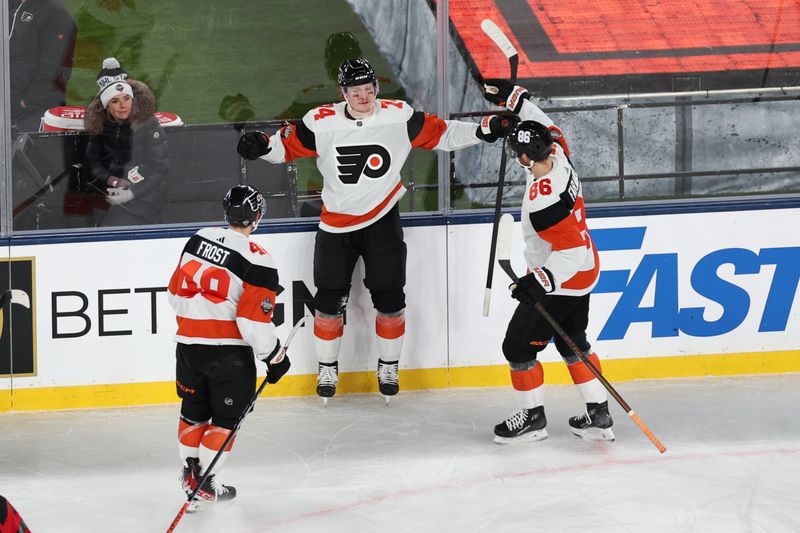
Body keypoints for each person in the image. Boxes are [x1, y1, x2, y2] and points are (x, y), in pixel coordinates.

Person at [238, 57, 516, 404]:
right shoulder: (320, 121)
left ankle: (388, 366)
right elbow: (286, 147)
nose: (364, 96)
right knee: (327, 303)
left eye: (369, 89)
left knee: (390, 299)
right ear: (343, 92)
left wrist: (485, 129)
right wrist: (262, 147)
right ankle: (327, 368)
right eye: (356, 91)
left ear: (376, 88)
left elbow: (443, 133)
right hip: (335, 224)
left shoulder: (398, 116)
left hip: (382, 220)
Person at [481, 78, 614, 444]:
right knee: (572, 339)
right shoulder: (558, 152)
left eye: (517, 154)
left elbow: (569, 252)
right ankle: (598, 413)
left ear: (526, 158)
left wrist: (538, 281)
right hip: (584, 270)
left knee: (517, 347)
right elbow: (543, 122)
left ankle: (533, 420)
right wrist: (514, 100)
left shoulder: (544, 205)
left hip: (563, 276)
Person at [167, 184, 290, 506]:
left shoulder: (198, 238)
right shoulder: (259, 260)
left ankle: (190, 483)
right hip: (228, 355)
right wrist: (275, 356)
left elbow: (175, 296)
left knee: (193, 412)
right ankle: (204, 483)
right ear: (257, 217)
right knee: (226, 420)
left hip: (188, 347)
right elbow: (252, 323)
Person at [84, 57, 169, 227]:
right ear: (107, 106)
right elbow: (92, 162)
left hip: (145, 196)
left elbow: (161, 168)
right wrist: (113, 180)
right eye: (115, 101)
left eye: (126, 98)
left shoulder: (148, 123)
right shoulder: (99, 124)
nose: (123, 105)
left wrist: (132, 193)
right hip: (110, 194)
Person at [9, 0, 76, 134]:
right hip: (9, 105)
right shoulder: (9, 6)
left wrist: (27, 101)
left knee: (27, 153)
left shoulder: (54, 13)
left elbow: (55, 68)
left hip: (34, 112)